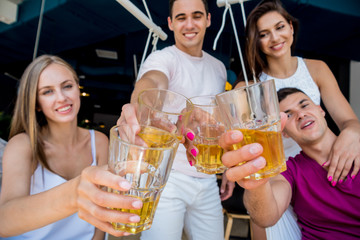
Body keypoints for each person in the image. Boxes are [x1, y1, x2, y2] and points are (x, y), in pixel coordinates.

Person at [234, 1, 360, 239]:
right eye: (263, 34)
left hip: (320, 164)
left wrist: (353, 134)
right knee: (263, 220)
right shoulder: (247, 88)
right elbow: (237, 140)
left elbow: (349, 122)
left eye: (280, 27)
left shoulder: (317, 69)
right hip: (281, 176)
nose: (275, 38)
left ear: (291, 27)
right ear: (256, 41)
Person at [118, 0, 235, 239]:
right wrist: (141, 107)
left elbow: (220, 121)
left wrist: (229, 164)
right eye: (181, 18)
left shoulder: (219, 68)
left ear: (208, 19)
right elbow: (152, 84)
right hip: (167, 177)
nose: (189, 24)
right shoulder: (162, 59)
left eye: (197, 16)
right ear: (170, 23)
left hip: (207, 178)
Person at [0, 55, 129, 239]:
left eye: (67, 86)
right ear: (36, 103)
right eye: (47, 92)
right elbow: (4, 221)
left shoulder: (99, 142)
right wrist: (74, 194)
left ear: (78, 88)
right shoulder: (23, 145)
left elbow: (100, 222)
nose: (61, 98)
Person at [220, 88, 360, 239]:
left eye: (304, 105)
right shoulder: (290, 172)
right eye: (288, 114)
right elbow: (265, 217)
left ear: (320, 110)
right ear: (283, 132)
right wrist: (256, 181)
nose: (300, 115)